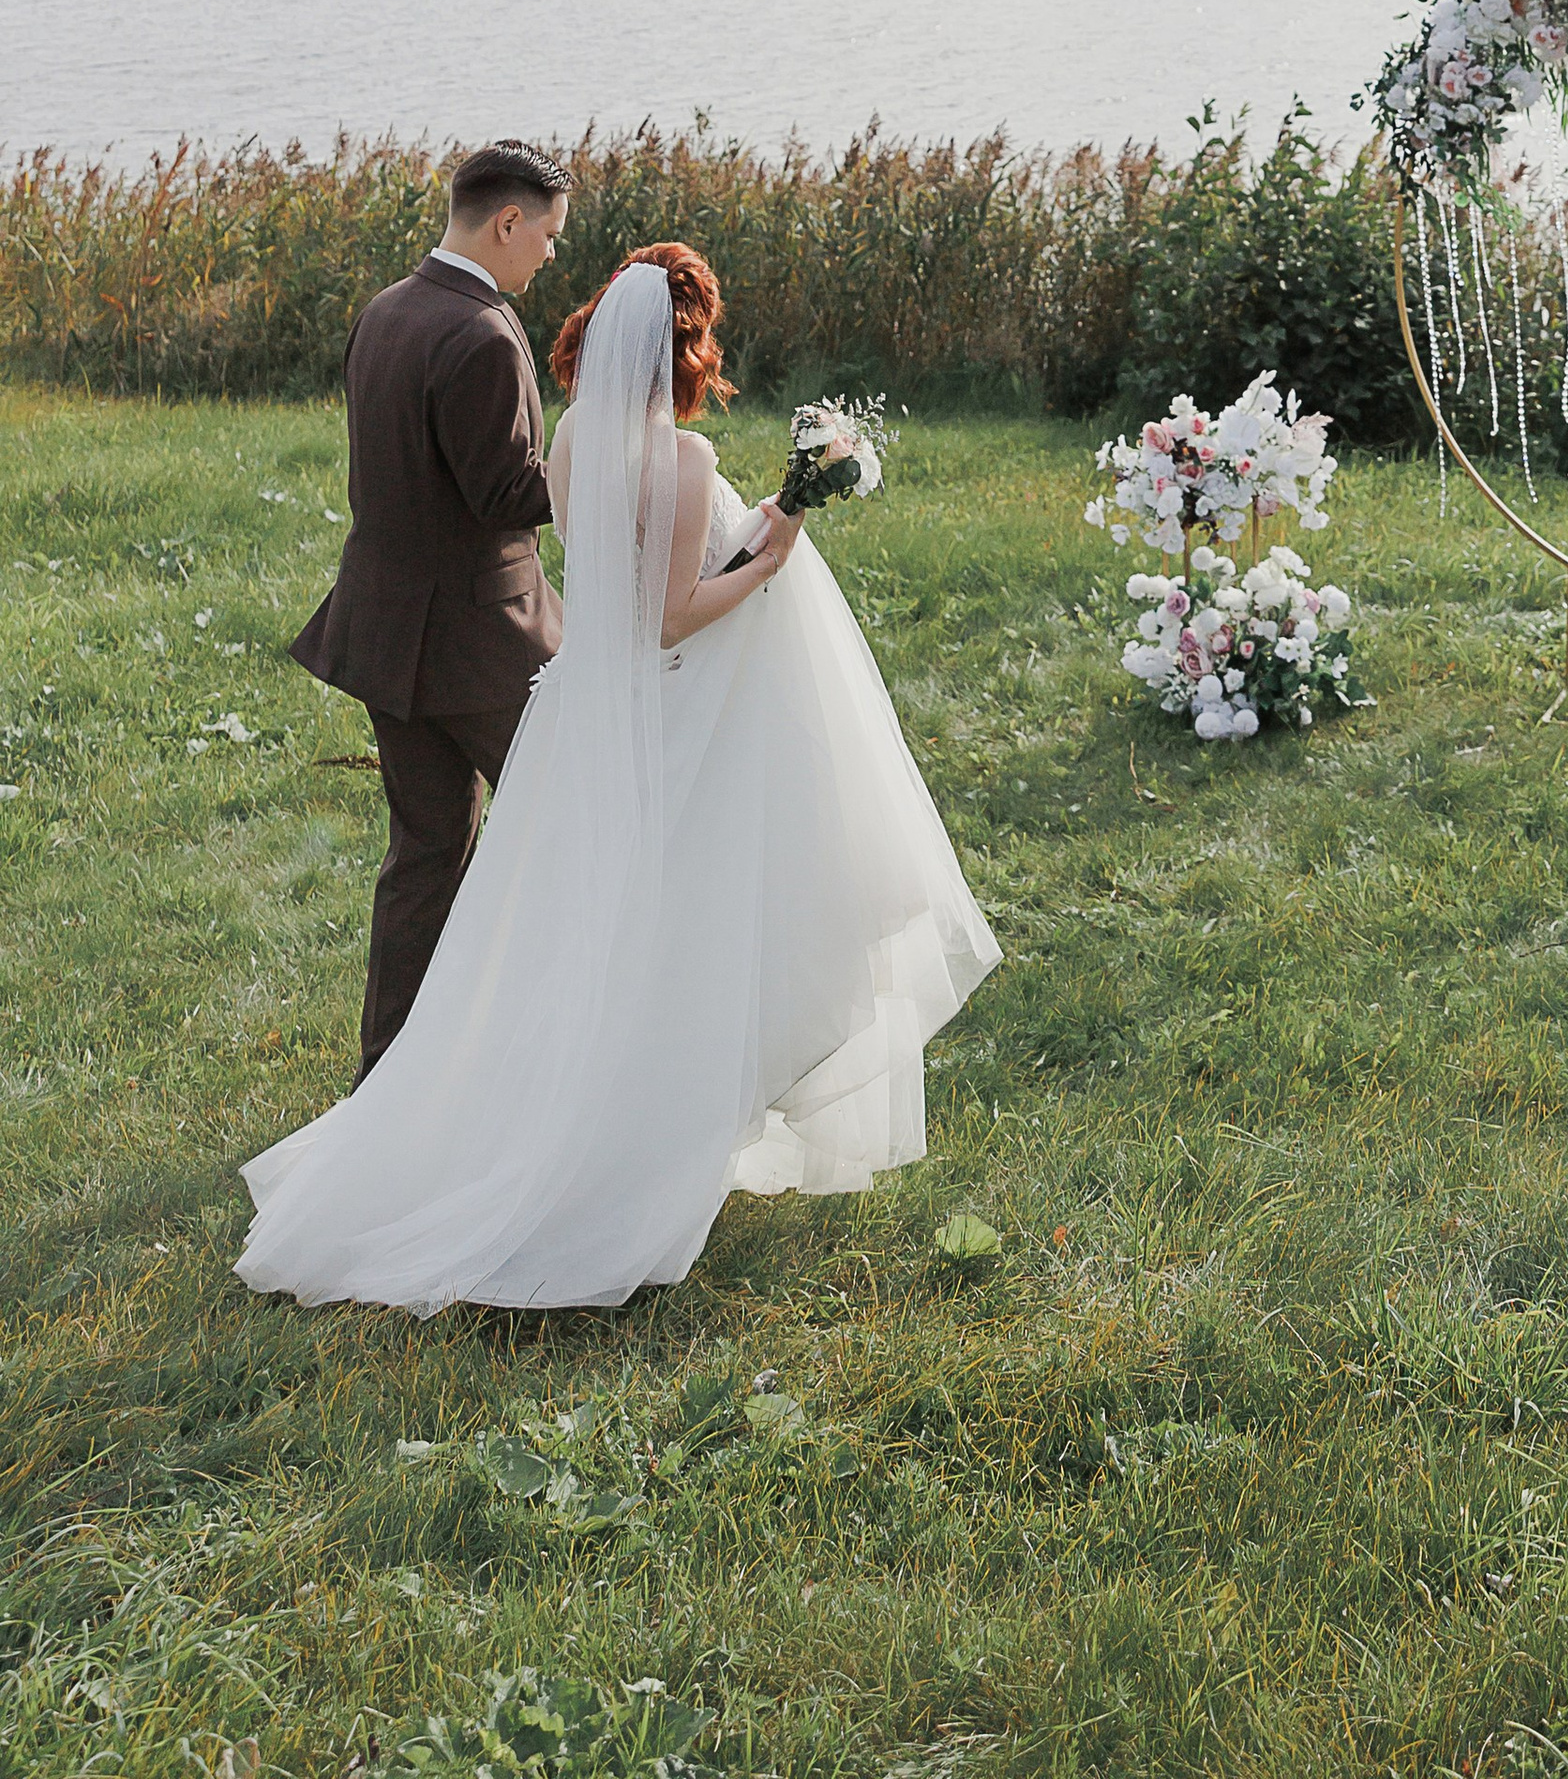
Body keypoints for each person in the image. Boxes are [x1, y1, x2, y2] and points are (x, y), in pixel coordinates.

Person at [236, 245, 1000, 1313]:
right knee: (660, 928)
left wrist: (766, 518)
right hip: (656, 710)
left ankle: (559, 1108)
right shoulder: (681, 458)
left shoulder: (571, 439)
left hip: (576, 709)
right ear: (683, 352)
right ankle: (624, 1143)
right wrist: (770, 554)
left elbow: (625, 577)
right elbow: (670, 617)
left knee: (573, 928)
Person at [291, 139, 573, 1080]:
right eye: (547, 236)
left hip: (387, 632)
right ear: (507, 222)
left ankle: (390, 1076)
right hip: (484, 643)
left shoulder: (387, 309)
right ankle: (546, 1060)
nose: (549, 255)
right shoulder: (484, 333)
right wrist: (609, 464)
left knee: (424, 854)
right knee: (568, 831)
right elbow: (506, 494)